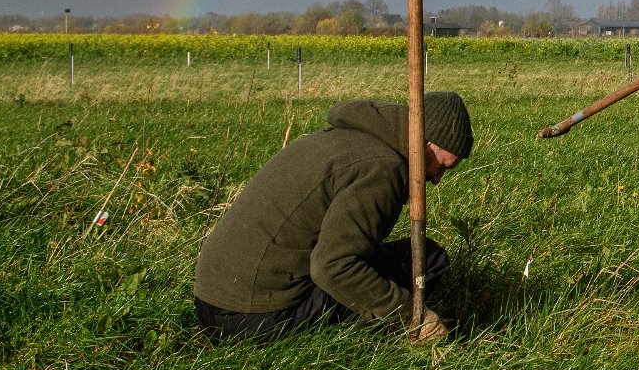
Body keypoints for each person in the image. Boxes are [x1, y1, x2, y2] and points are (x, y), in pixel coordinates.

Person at [194, 93, 474, 342]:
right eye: (442, 166)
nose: (437, 179)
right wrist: (412, 317)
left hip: (213, 300)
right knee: (427, 261)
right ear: (424, 144)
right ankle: (389, 340)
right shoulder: (383, 169)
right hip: (248, 316)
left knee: (414, 258)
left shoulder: (354, 140)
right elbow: (333, 266)